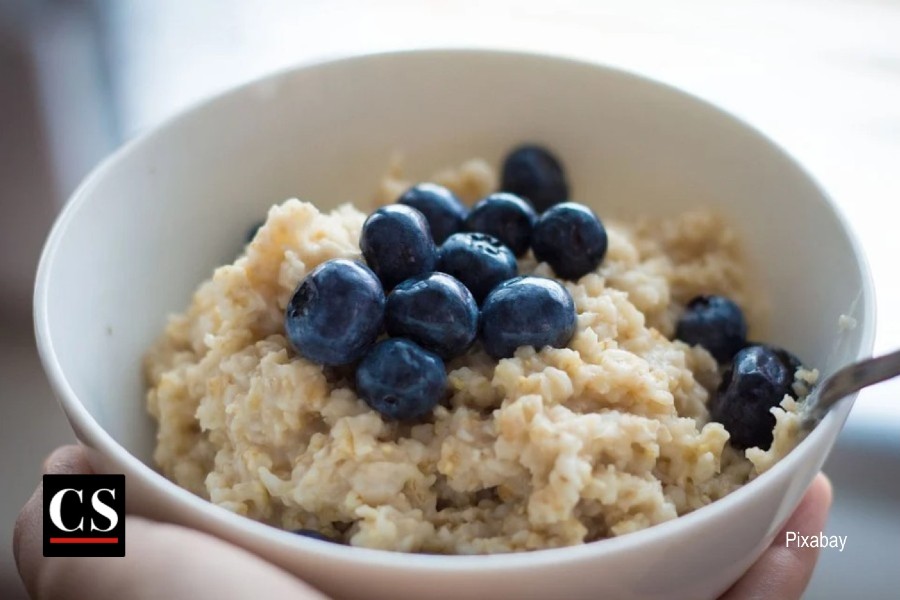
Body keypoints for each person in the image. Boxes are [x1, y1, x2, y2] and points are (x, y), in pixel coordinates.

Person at [14, 445, 833, 599]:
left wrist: (63, 546)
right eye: (77, 536)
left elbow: (56, 511)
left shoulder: (80, 527)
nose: (75, 524)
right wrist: (61, 561)